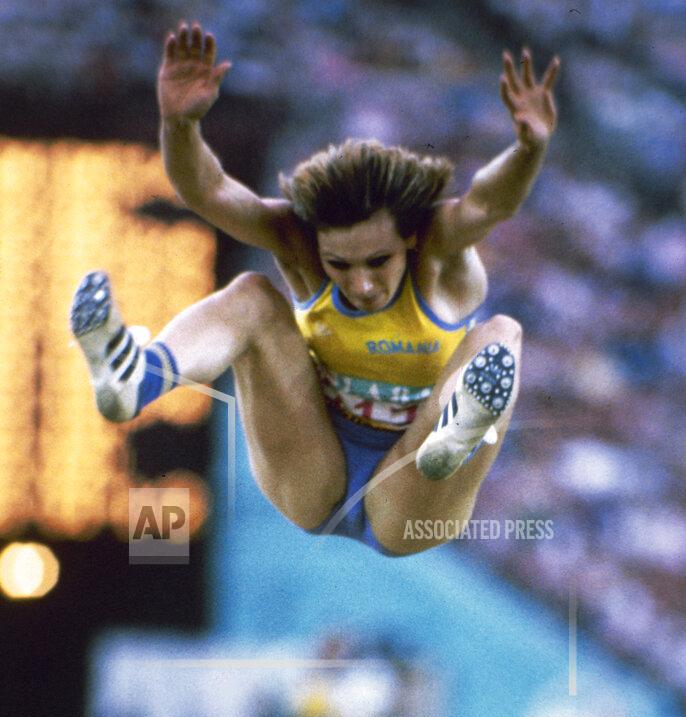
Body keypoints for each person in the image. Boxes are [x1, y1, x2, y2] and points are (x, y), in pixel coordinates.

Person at [70, 21, 560, 557]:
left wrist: (528, 148)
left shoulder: (440, 251)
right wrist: (179, 124)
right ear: (318, 245)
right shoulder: (297, 242)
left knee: (500, 334)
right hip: (312, 474)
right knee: (253, 295)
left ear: (411, 237)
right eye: (339, 265)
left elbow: (491, 202)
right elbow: (207, 191)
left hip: (411, 496)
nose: (361, 284)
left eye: (378, 262)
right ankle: (136, 380)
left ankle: (454, 435)